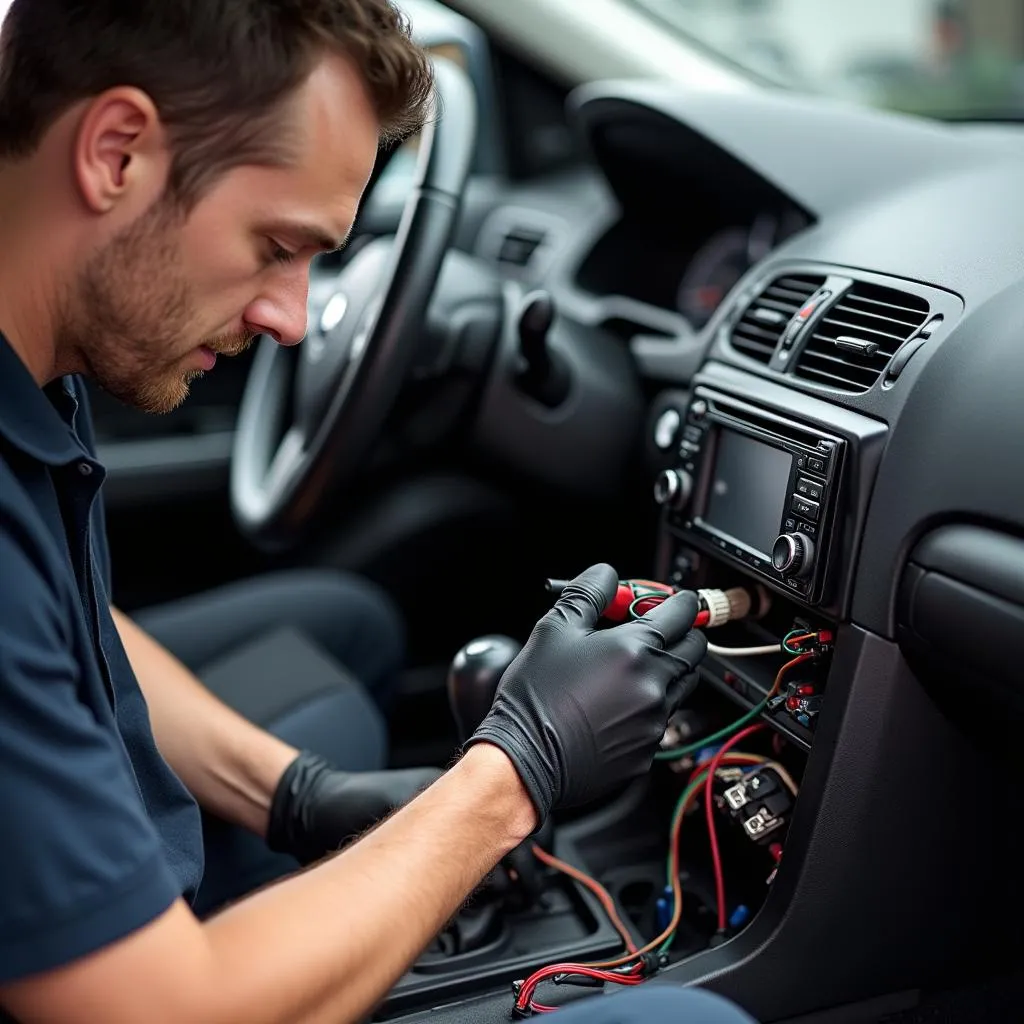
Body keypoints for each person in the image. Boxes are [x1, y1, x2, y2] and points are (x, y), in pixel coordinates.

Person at [0, 2, 754, 1022]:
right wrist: (511, 773)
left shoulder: (42, 340)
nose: (293, 317)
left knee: (343, 619)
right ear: (117, 151)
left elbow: (67, 626)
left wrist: (296, 794)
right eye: (276, 243)